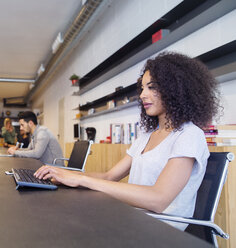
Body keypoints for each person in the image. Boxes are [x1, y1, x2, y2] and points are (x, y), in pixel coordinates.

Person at [34, 52, 221, 230]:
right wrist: (63, 174)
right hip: (132, 219)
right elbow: (109, 177)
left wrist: (81, 179)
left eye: (152, 87)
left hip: (161, 230)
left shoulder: (189, 135)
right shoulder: (147, 135)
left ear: (176, 89)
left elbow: (158, 199)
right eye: (143, 88)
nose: (142, 95)